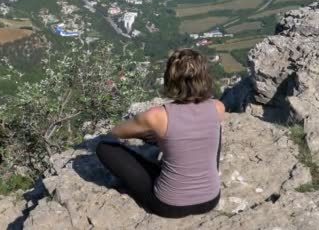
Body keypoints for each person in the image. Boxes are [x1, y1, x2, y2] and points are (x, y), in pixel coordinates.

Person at [96, 48, 225, 219]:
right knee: (215, 128)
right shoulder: (217, 107)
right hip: (211, 199)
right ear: (205, 77)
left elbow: (117, 132)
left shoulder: (157, 116)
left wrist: (144, 134)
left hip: (169, 206)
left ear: (170, 78)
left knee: (104, 147)